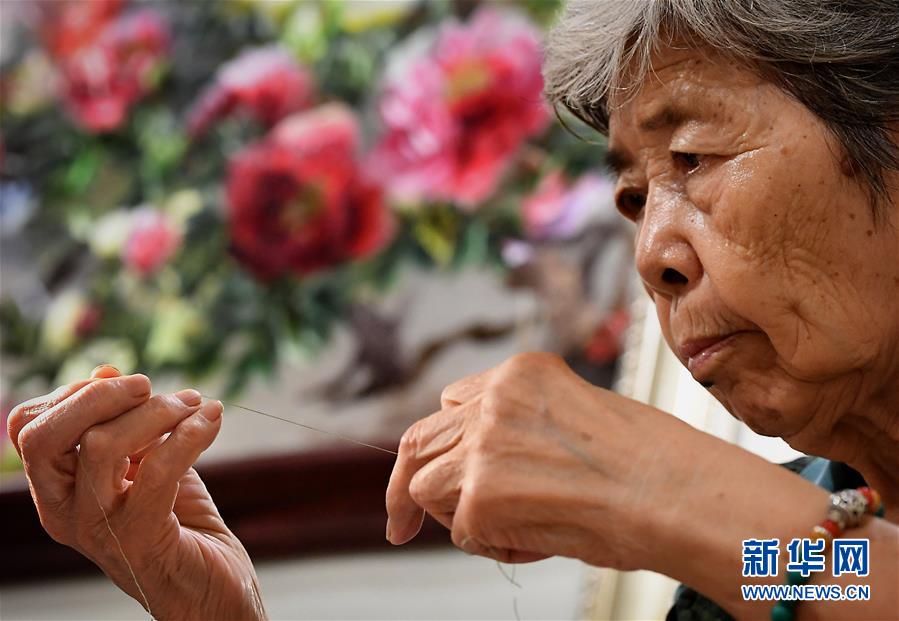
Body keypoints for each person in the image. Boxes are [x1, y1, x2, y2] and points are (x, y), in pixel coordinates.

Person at [7, 1, 899, 619]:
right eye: (632, 198)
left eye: (694, 158)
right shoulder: (796, 557)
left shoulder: (781, 548)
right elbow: (847, 580)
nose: (650, 254)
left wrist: (654, 484)